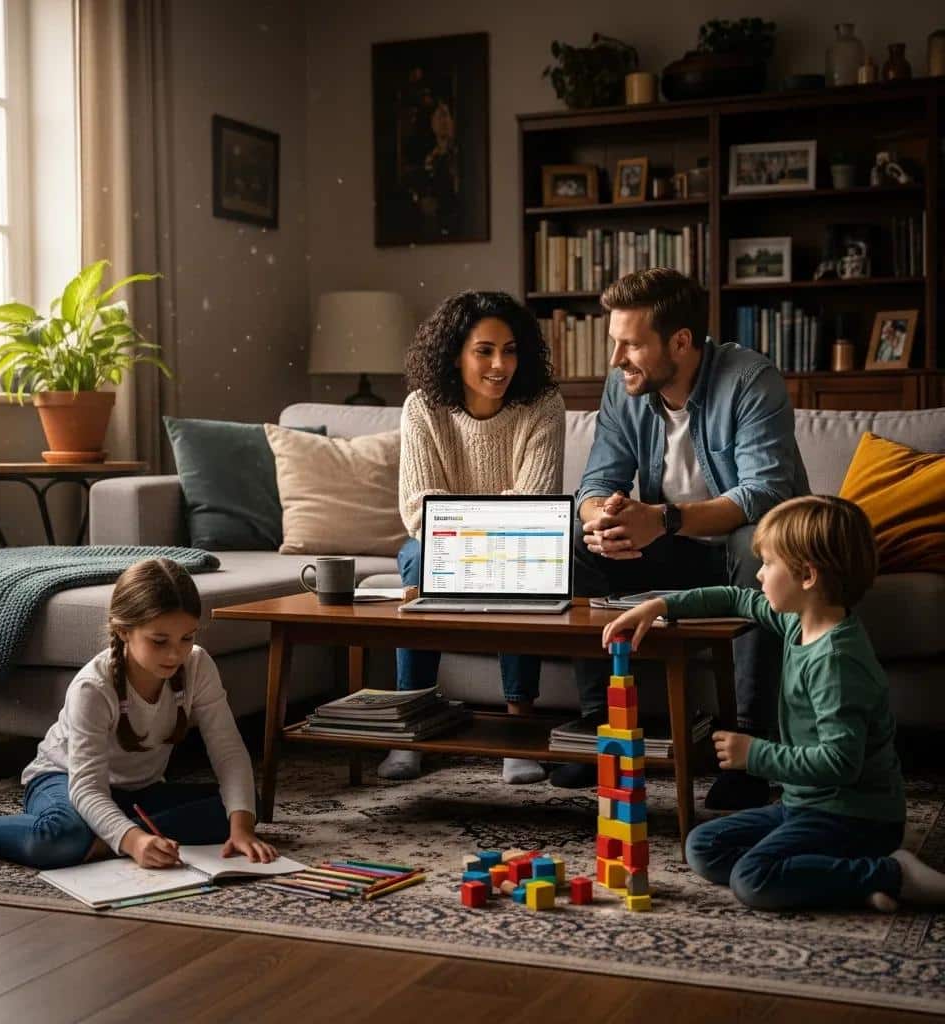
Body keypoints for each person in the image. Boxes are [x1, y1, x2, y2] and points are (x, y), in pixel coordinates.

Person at [601, 496, 945, 912]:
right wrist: (663, 605)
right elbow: (736, 598)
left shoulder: (837, 662)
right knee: (704, 846)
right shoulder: (798, 620)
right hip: (802, 806)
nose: (759, 575)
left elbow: (841, 764)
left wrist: (755, 755)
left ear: (806, 576)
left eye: (768, 564)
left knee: (753, 878)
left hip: (856, 819)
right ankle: (841, 877)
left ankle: (892, 873)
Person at [551, 268, 809, 809]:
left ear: (681, 342)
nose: (617, 358)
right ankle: (602, 732)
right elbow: (597, 482)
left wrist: (662, 519)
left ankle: (748, 746)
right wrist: (602, 516)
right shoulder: (625, 389)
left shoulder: (749, 379)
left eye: (631, 344)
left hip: (743, 558)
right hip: (672, 553)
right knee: (577, 545)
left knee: (752, 541)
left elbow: (765, 494)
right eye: (614, 342)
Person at [0, 558, 276, 870]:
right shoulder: (93, 686)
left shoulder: (197, 664)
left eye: (186, 638)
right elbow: (87, 788)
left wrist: (241, 829)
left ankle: (100, 841)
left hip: (136, 791)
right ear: (124, 631)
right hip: (62, 779)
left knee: (244, 807)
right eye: (159, 641)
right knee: (56, 839)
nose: (176, 653)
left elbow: (228, 751)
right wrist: (135, 842)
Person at [378, 290, 565, 784]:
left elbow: (537, 500)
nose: (499, 364)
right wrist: (492, 518)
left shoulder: (543, 403)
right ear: (455, 353)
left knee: (523, 565)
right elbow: (416, 504)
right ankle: (408, 729)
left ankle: (517, 732)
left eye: (510, 349)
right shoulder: (422, 407)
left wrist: (470, 521)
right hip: (438, 544)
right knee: (419, 562)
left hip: (516, 543)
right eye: (484, 350)